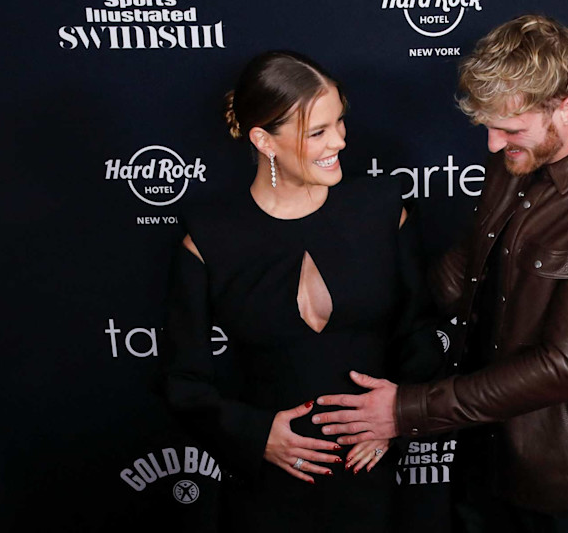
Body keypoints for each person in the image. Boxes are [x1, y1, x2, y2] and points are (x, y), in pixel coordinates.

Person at [311, 15, 568, 533]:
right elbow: (459, 278)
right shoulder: (520, 155)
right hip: (487, 449)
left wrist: (406, 411)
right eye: (489, 127)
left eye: (509, 129)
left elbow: (563, 366)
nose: (491, 144)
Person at [161, 50, 442, 532]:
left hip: (372, 478)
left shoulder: (381, 208)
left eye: (339, 124)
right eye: (317, 132)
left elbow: (421, 334)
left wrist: (396, 414)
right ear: (263, 140)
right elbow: (181, 380)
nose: (339, 142)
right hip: (268, 492)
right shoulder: (210, 237)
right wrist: (255, 435)